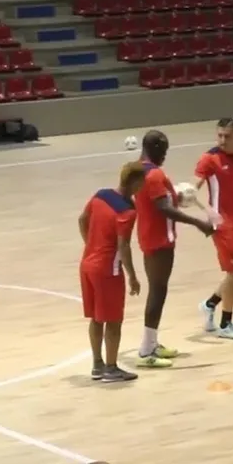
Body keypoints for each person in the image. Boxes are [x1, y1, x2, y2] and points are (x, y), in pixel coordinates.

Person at [134, 130, 216, 369]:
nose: (165, 156)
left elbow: (158, 202)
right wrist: (198, 222)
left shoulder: (140, 170)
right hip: (160, 240)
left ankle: (152, 342)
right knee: (158, 292)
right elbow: (164, 209)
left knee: (157, 290)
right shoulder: (155, 174)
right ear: (157, 148)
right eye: (165, 151)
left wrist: (176, 197)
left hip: (148, 236)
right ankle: (146, 349)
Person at [78, 161, 145, 383]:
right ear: (134, 182)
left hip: (87, 264)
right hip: (108, 269)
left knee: (97, 318)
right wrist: (133, 276)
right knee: (114, 321)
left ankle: (97, 365)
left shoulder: (101, 195)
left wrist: (90, 243)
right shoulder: (127, 210)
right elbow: (123, 245)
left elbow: (82, 219)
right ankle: (111, 368)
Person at [196, 118, 233, 340]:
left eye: (227, 136)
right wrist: (206, 209)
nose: (222, 140)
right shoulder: (209, 159)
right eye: (219, 135)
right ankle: (225, 324)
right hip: (222, 223)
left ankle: (210, 304)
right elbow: (193, 187)